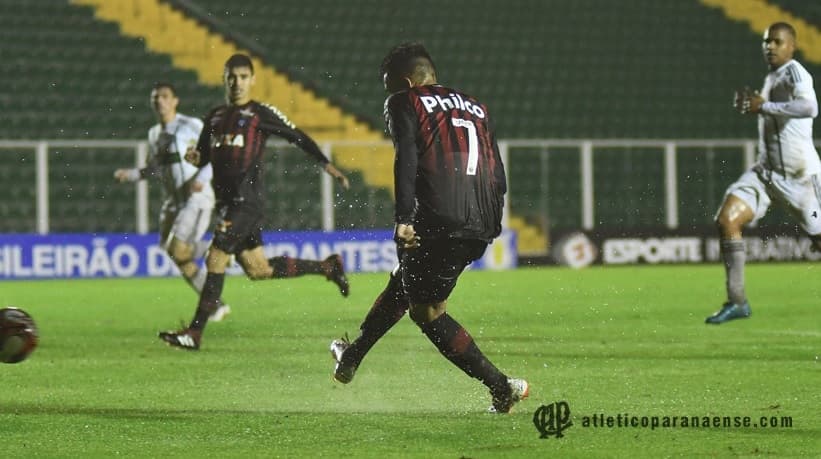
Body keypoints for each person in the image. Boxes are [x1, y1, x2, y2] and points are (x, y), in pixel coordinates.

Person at [329, 43, 528, 413]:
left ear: (407, 82)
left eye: (392, 87)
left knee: (428, 311)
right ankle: (351, 358)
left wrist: (404, 218)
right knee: (406, 278)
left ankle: (502, 387)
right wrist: (490, 218)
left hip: (439, 219)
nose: (391, 96)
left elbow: (407, 158)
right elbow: (496, 171)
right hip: (483, 220)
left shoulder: (407, 102)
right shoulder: (477, 106)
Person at [158, 54, 351, 350]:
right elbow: (205, 157)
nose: (237, 83)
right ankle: (328, 267)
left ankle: (194, 333)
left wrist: (326, 164)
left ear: (252, 80)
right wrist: (196, 158)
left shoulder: (260, 114)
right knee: (257, 267)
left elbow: (296, 136)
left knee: (215, 257)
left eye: (243, 77)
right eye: (232, 77)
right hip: (227, 203)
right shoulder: (215, 117)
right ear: (224, 79)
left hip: (246, 202)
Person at [707, 22, 821, 324]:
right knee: (727, 219)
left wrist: (765, 105)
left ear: (792, 46)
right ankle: (738, 301)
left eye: (777, 41)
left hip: (801, 179)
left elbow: (810, 107)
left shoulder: (796, 72)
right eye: (766, 41)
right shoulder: (773, 76)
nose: (769, 46)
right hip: (766, 173)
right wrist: (758, 105)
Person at [114, 82, 231, 322]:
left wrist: (202, 178)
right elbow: (155, 169)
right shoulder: (154, 133)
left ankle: (224, 252)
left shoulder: (191, 126)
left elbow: (213, 156)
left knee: (179, 250)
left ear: (175, 101)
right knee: (175, 253)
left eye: (165, 96)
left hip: (195, 199)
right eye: (155, 97)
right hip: (173, 202)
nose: (160, 101)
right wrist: (132, 175)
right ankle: (216, 305)